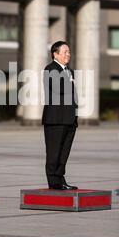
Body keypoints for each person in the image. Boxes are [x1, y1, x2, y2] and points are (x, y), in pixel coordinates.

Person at [42, 40, 78, 190]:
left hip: (69, 118)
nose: (68, 55)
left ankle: (60, 178)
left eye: (69, 52)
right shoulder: (50, 69)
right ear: (55, 54)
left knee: (64, 152)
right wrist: (70, 83)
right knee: (54, 152)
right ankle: (53, 182)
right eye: (65, 52)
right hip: (55, 119)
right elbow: (59, 88)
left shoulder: (70, 71)